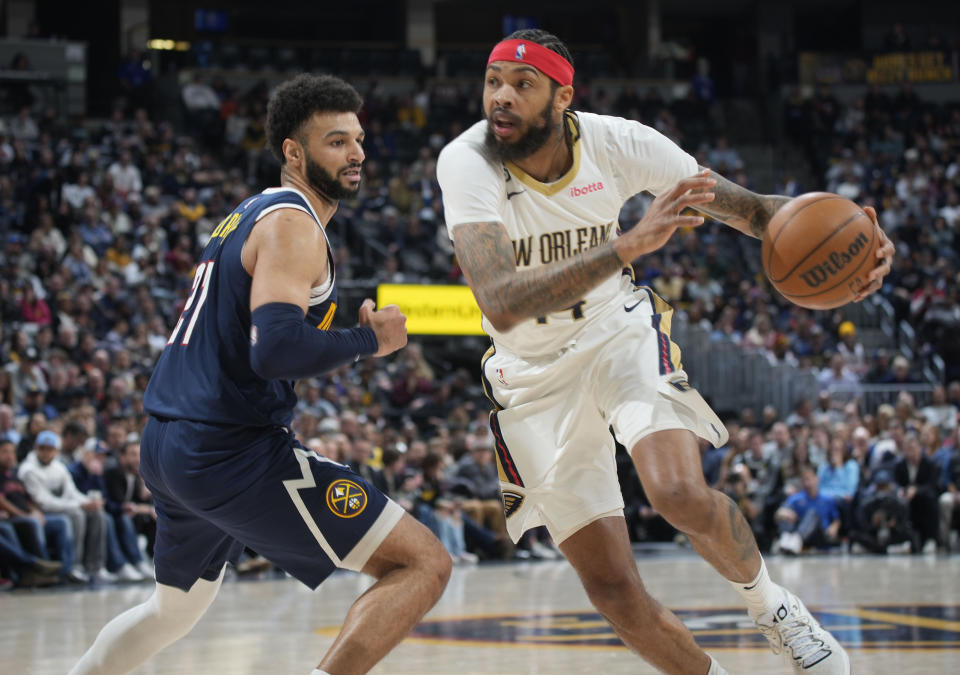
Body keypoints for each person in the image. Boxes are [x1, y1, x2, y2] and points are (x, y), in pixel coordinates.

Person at [437, 29, 893, 675]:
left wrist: (859, 244)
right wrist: (627, 245)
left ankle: (773, 607)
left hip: (615, 331)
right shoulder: (467, 161)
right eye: (492, 82)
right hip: (528, 372)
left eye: (522, 84)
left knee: (678, 490)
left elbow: (756, 212)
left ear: (563, 96)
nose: (501, 98)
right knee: (613, 590)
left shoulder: (621, 142)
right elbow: (502, 300)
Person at [69, 74, 450, 675]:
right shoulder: (293, 224)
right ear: (293, 153)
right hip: (227, 450)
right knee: (423, 563)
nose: (356, 154)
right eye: (335, 141)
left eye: (357, 139)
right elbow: (273, 351)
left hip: (169, 442)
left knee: (173, 611)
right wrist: (367, 341)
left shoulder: (247, 214)